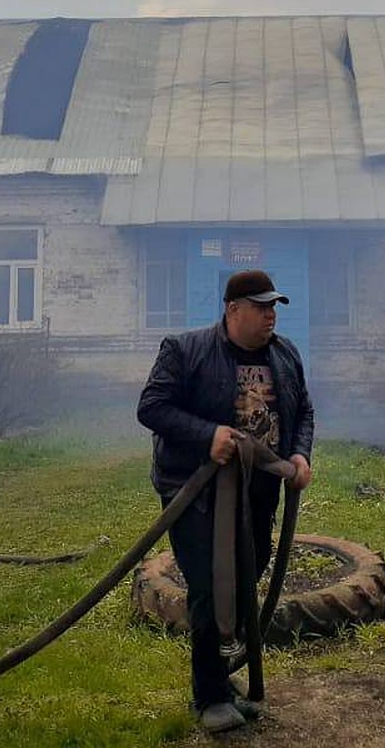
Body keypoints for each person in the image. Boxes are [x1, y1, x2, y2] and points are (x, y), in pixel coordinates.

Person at [138, 269, 314, 734]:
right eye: (261, 307)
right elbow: (151, 407)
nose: (271, 315)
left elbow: (304, 409)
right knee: (208, 587)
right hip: (198, 493)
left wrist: (299, 453)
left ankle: (226, 683)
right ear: (233, 309)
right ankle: (209, 696)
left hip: (258, 493)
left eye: (274, 306)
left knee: (243, 582)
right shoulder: (185, 350)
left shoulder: (286, 354)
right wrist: (207, 435)